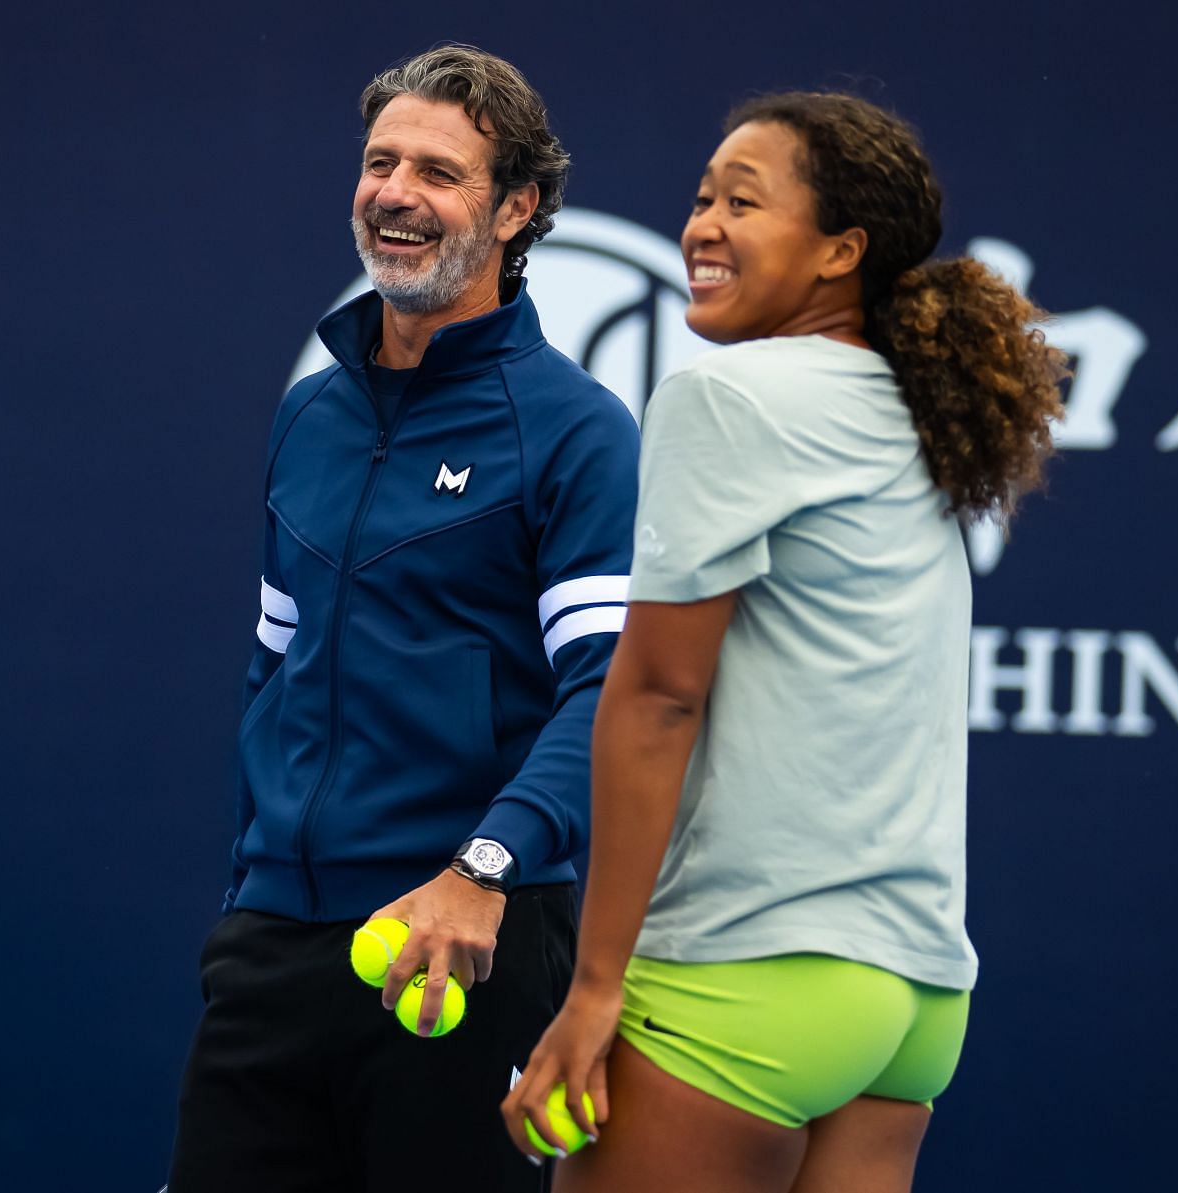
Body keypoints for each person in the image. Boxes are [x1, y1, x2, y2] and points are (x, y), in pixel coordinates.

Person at [501, 91, 1066, 1192]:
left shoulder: (733, 398)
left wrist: (595, 987)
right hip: (909, 1001)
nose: (702, 226)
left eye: (743, 202)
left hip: (742, 979)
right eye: (703, 196)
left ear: (839, 252)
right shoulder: (920, 411)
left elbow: (660, 697)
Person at [167, 45, 640, 1193]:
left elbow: (612, 694)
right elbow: (275, 668)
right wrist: (251, 894)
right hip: (274, 948)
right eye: (381, 163)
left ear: (516, 208)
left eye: (438, 171)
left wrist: (485, 864)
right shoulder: (310, 416)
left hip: (464, 946)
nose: (395, 193)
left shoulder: (577, 432)